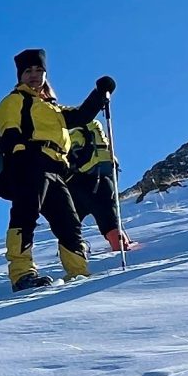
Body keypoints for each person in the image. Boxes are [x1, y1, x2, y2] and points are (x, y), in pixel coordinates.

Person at [0, 48, 91, 291]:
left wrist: (101, 92)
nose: (34, 75)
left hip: (55, 167)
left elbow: (81, 115)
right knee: (26, 214)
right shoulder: (14, 100)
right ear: (20, 75)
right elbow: (9, 131)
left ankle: (78, 272)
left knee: (69, 221)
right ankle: (22, 273)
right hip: (29, 162)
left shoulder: (52, 108)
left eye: (39, 70)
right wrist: (20, 158)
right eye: (28, 71)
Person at [61, 75, 135, 254]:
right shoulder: (89, 125)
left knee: (68, 225)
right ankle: (123, 249)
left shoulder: (62, 127)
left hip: (74, 182)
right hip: (99, 177)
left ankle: (72, 258)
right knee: (108, 218)